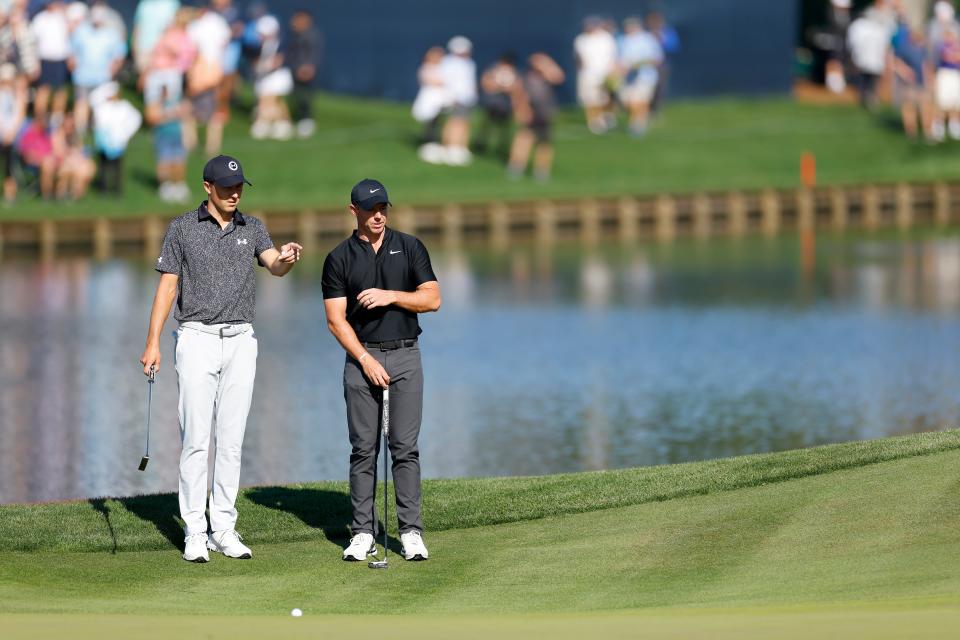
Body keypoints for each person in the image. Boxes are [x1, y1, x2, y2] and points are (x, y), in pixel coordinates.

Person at [140, 154, 303, 563]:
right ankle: (195, 531)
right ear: (207, 187)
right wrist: (153, 342)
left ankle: (224, 529)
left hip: (241, 340)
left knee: (231, 442)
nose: (234, 194)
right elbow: (167, 289)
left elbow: (274, 267)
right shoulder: (182, 229)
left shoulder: (254, 227)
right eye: (227, 187)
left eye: (239, 187)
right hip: (196, 337)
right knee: (196, 440)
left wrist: (284, 258)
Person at [321, 178, 441, 563]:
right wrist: (366, 361)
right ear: (352, 210)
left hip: (406, 356)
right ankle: (362, 533)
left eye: (383, 208)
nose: (378, 215)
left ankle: (410, 533)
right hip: (362, 359)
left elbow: (433, 299)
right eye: (370, 209)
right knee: (363, 450)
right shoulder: (339, 258)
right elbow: (336, 321)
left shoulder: (409, 247)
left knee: (405, 448)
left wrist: (391, 296)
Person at [68, 4, 126, 134]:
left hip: (102, 76)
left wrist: (113, 69)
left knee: (101, 106)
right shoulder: (82, 30)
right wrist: (72, 63)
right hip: (82, 75)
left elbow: (119, 54)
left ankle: (98, 130)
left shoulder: (111, 34)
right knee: (81, 102)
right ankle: (80, 131)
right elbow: (72, 49)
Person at [507, 52, 564, 182]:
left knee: (544, 143)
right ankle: (516, 166)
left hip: (545, 113)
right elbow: (518, 95)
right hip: (531, 113)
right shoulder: (526, 78)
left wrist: (547, 63)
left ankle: (541, 170)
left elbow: (558, 77)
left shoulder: (547, 77)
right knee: (524, 139)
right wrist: (522, 111)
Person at [90, 81, 141, 195]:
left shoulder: (124, 106)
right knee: (103, 166)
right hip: (104, 141)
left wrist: (125, 134)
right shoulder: (101, 106)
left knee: (117, 167)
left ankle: (117, 189)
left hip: (118, 141)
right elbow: (92, 98)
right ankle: (103, 189)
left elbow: (136, 119)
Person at [249, 14, 293, 140]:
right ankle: (276, 123)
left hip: (277, 77)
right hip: (266, 77)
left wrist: (264, 66)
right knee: (268, 100)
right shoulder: (262, 45)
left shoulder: (280, 43)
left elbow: (278, 61)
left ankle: (274, 123)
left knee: (272, 100)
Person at [618, 17, 663, 137]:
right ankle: (637, 122)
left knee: (640, 101)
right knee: (628, 102)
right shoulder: (625, 40)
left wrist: (638, 64)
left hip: (645, 76)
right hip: (628, 77)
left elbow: (656, 59)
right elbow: (621, 59)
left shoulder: (647, 39)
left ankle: (638, 125)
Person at [145, 78, 189, 202]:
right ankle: (165, 186)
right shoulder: (156, 103)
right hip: (163, 136)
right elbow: (152, 118)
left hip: (177, 135)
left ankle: (179, 185)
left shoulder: (177, 101)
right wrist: (169, 116)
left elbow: (185, 114)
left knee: (179, 161)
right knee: (164, 162)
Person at [574, 16, 618, 133]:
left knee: (604, 98)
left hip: (604, 73)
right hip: (587, 75)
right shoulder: (580, 40)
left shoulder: (606, 38)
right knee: (590, 99)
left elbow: (612, 56)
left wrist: (612, 71)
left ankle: (605, 117)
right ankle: (594, 122)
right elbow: (579, 59)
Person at [30, 0, 71, 123]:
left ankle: (56, 120)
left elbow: (70, 35)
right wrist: (35, 62)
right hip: (45, 59)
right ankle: (40, 119)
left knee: (60, 90)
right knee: (43, 90)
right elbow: (33, 42)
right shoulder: (40, 19)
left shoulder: (63, 17)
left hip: (61, 59)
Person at [891, 20, 933, 141]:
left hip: (921, 82)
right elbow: (896, 63)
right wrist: (905, 71)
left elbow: (926, 64)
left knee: (925, 106)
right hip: (907, 84)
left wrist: (929, 80)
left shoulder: (923, 48)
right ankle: (911, 132)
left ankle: (927, 132)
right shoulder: (903, 47)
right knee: (909, 107)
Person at [439, 35, 477, 166]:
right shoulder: (448, 62)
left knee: (464, 122)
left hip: (467, 98)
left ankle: (461, 147)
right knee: (455, 122)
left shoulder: (469, 63)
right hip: (455, 97)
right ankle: (451, 148)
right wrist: (450, 96)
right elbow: (446, 81)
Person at [476, 52, 519, 158]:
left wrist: (503, 87)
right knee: (486, 127)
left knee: (504, 129)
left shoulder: (514, 73)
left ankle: (503, 148)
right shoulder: (492, 70)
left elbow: (516, 88)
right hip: (492, 104)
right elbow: (486, 85)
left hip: (505, 105)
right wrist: (500, 86)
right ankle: (480, 147)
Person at [286, 9, 321, 139]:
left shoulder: (312, 35)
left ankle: (307, 121)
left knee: (306, 97)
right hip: (295, 70)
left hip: (306, 71)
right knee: (295, 95)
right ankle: (298, 119)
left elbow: (314, 54)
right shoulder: (295, 35)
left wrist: (309, 67)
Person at [412, 45, 448, 163]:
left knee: (438, 123)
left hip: (441, 100)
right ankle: (428, 146)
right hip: (430, 100)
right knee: (430, 124)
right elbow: (431, 81)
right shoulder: (426, 68)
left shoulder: (443, 68)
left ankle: (435, 145)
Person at [0, 62, 26, 203]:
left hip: (13, 136)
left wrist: (11, 133)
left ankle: (10, 194)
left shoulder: (18, 95)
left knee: (9, 164)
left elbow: (19, 116)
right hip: (2, 134)